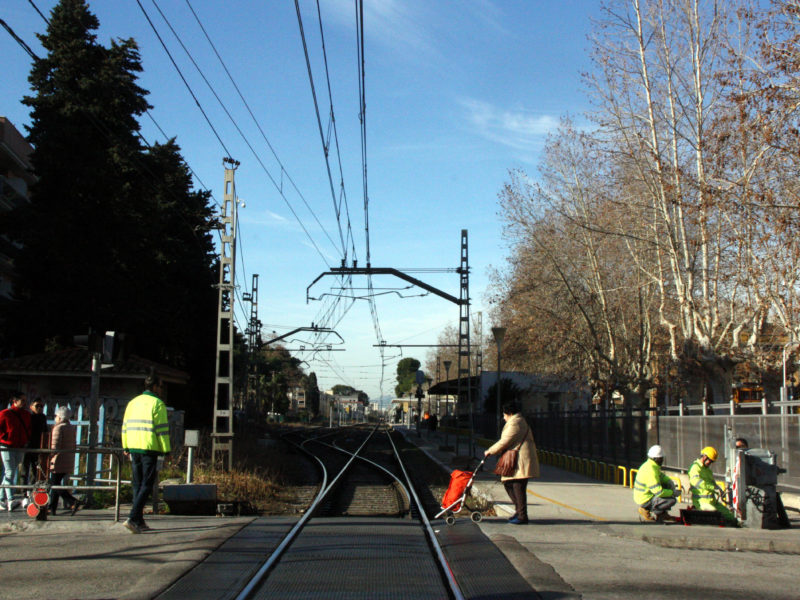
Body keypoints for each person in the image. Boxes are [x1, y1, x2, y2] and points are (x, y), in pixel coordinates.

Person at [121, 372, 171, 533]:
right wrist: (166, 450)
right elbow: (162, 430)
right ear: (155, 386)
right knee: (147, 484)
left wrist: (126, 446)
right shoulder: (158, 404)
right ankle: (133, 517)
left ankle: (139, 520)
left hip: (133, 447)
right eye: (161, 386)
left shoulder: (132, 403)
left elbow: (125, 426)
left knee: (137, 484)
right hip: (149, 448)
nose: (162, 389)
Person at [484, 402, 539, 524]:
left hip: (520, 461)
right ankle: (519, 512)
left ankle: (522, 516)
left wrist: (490, 451)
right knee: (509, 483)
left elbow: (505, 441)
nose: (503, 417)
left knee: (517, 486)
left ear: (509, 413)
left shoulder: (515, 423)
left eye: (504, 414)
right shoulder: (518, 421)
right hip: (517, 460)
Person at [0, 391, 32, 511]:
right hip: (7, 446)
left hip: (19, 446)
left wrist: (25, 439)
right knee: (10, 471)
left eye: (25, 400)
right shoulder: (5, 414)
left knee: (10, 471)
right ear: (15, 401)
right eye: (22, 400)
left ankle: (1, 498)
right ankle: (10, 499)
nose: (24, 403)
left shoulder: (26, 415)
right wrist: (5, 437)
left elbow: (28, 429)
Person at [688, 446, 736, 523]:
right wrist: (712, 487)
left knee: (730, 516)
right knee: (715, 514)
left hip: (712, 501)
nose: (710, 463)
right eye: (710, 461)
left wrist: (719, 489)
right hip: (701, 502)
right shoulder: (695, 468)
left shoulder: (708, 470)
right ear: (704, 457)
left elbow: (712, 483)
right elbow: (696, 482)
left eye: (712, 462)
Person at [48, 406, 81, 516]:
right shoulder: (71, 428)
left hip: (58, 460)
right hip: (68, 459)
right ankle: (52, 507)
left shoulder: (58, 428)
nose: (55, 418)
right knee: (56, 484)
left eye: (56, 416)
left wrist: (49, 456)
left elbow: (55, 446)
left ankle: (73, 501)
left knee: (54, 484)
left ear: (59, 417)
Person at [633, 444, 677, 523]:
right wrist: (672, 492)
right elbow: (658, 492)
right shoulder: (651, 471)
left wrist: (668, 481)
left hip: (644, 495)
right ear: (657, 459)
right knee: (671, 500)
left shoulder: (651, 465)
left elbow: (661, 476)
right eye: (661, 458)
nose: (662, 460)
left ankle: (661, 513)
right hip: (645, 498)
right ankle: (653, 511)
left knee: (666, 488)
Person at [21, 397, 49, 507]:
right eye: (37, 406)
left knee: (34, 470)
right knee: (24, 470)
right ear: (31, 406)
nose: (40, 408)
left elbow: (45, 431)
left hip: (37, 447)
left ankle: (31, 491)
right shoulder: (28, 416)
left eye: (41, 406)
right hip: (27, 446)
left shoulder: (42, 417)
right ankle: (23, 493)